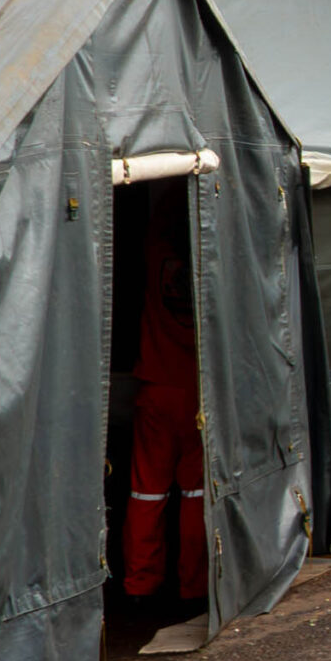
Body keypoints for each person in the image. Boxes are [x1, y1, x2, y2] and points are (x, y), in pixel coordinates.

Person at [126, 186, 208, 601]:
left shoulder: (156, 251)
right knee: (195, 493)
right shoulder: (209, 265)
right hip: (196, 394)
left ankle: (140, 582)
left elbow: (156, 220)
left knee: (146, 492)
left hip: (155, 388)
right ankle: (193, 585)